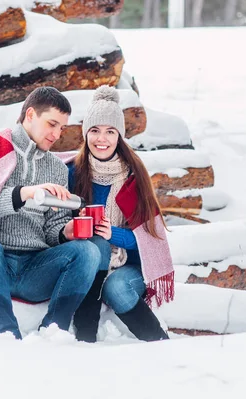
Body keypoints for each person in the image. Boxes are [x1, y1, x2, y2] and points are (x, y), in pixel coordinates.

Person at [0, 87, 111, 340]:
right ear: (31, 114)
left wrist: (65, 232)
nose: (56, 134)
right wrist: (24, 193)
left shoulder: (56, 169)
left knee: (88, 250)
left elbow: (51, 230)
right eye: (52, 124)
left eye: (62, 128)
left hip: (36, 268)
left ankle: (54, 329)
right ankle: (5, 334)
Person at [68, 86, 175, 342]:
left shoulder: (133, 177)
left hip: (130, 265)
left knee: (116, 287)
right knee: (94, 255)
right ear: (85, 134)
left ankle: (160, 344)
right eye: (94, 130)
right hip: (88, 259)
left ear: (119, 136)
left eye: (110, 131)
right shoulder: (73, 172)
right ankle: (85, 344)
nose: (101, 139)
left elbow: (150, 239)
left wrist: (112, 234)